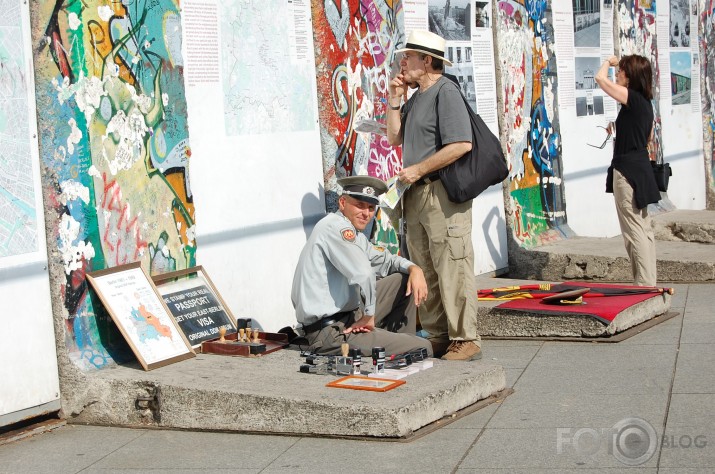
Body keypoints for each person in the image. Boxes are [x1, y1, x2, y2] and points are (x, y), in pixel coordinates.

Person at [385, 30, 482, 361]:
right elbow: (395, 138)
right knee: (425, 265)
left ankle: (465, 338)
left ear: (426, 61)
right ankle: (440, 335)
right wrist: (395, 98)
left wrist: (419, 169)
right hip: (416, 194)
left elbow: (461, 144)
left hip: (440, 193)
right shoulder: (416, 98)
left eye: (408, 57)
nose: (403, 62)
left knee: (452, 264)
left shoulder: (445, 92)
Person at [291, 175, 433, 358]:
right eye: (359, 205)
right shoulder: (337, 228)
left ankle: (395, 345)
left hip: (347, 318)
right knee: (424, 347)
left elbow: (386, 260)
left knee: (404, 279)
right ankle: (400, 346)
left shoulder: (353, 234)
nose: (366, 213)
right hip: (332, 333)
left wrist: (415, 268)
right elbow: (364, 274)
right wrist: (369, 315)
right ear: (342, 203)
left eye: (371, 208)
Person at [594, 55, 660, 286]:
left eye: (621, 71)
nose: (618, 74)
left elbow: (600, 79)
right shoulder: (645, 103)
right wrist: (621, 129)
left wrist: (607, 63)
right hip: (640, 168)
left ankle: (643, 285)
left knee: (633, 232)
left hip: (628, 171)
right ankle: (648, 282)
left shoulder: (631, 97)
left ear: (630, 77)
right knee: (643, 229)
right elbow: (647, 137)